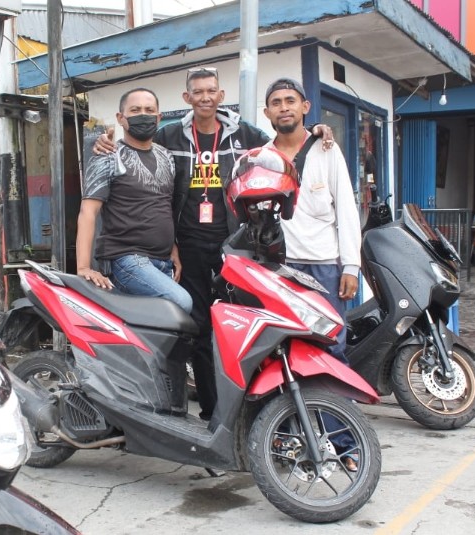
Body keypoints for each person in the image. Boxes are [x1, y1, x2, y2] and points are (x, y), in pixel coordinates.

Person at [94, 67, 334, 421]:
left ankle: (254, 410)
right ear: (187, 98)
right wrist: (103, 140)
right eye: (197, 92)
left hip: (235, 246)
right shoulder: (169, 136)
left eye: (211, 91)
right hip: (187, 246)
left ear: (221, 96)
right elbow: (134, 146)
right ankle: (210, 410)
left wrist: (315, 132)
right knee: (200, 327)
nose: (205, 97)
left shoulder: (245, 135)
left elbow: (283, 142)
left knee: (243, 327)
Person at [263, 77, 361, 362]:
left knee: (330, 343)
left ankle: (335, 408)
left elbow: (346, 208)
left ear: (305, 107)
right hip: (281, 269)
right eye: (276, 103)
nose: (284, 108)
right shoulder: (262, 157)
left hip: (325, 267)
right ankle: (291, 408)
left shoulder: (326, 149)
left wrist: (351, 267)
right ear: (267, 112)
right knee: (286, 346)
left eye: (290, 101)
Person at [77, 87, 193, 314]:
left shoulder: (165, 156)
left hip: (162, 260)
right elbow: (88, 212)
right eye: (135, 110)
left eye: (149, 110)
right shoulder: (107, 155)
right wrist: (83, 267)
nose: (143, 115)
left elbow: (162, 205)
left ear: (159, 118)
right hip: (126, 258)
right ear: (121, 118)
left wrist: (172, 247)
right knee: (181, 302)